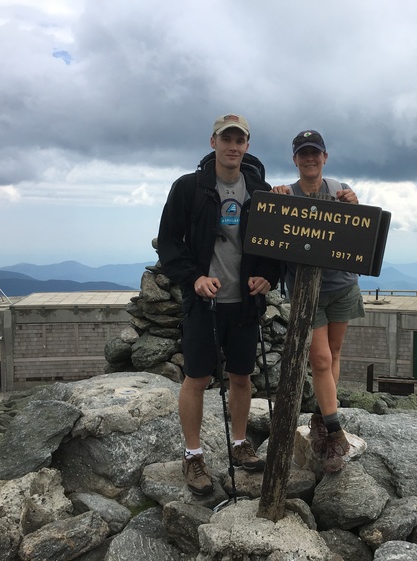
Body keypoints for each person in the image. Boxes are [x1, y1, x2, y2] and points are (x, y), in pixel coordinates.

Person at [157, 114, 280, 495]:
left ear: (247, 145)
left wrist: (269, 277)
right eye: (226, 139)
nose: (232, 146)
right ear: (213, 143)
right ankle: (193, 455)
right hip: (204, 303)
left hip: (244, 304)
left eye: (239, 140)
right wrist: (193, 278)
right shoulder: (189, 187)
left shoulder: (260, 190)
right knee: (196, 378)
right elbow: (169, 242)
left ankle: (240, 443)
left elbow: (275, 243)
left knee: (241, 377)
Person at [272, 129, 364, 474]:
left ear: (325, 157)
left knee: (334, 354)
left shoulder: (340, 189)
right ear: (295, 159)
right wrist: (275, 203)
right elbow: (271, 234)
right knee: (322, 360)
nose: (310, 158)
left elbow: (357, 231)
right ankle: (335, 433)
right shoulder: (285, 194)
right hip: (305, 292)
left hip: (342, 285)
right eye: (303, 153)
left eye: (316, 153)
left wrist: (355, 204)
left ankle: (322, 418)